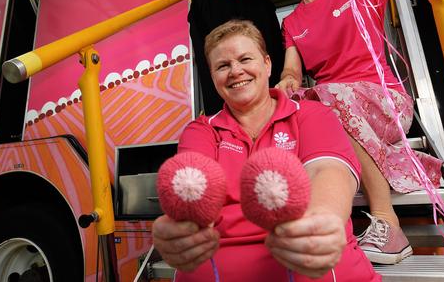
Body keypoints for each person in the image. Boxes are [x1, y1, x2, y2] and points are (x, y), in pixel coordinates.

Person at [276, 0, 442, 264]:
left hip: (384, 101)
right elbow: (292, 70)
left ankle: (388, 224)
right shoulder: (291, 22)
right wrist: (287, 82)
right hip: (334, 107)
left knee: (327, 97)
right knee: (293, 106)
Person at [151, 20, 379, 282]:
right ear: (213, 78)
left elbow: (327, 169)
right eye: (223, 66)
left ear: (268, 64)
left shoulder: (310, 114)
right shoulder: (202, 130)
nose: (235, 71)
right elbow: (195, 186)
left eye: (245, 59)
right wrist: (188, 226)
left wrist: (320, 221)